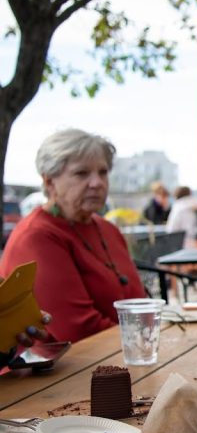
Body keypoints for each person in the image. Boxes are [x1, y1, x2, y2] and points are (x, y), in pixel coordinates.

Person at [0, 129, 146, 343]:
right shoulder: (37, 236)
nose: (97, 182)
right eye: (81, 173)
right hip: (62, 372)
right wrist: (150, 338)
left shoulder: (107, 229)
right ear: (50, 182)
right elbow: (79, 330)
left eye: (103, 172)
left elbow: (140, 306)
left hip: (125, 357)